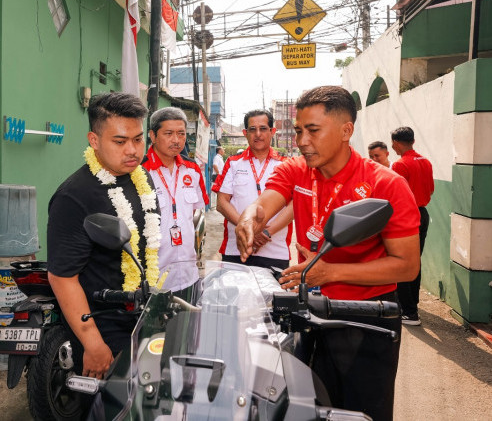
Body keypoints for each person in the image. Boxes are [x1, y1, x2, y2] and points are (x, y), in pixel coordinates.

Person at [236, 86, 420, 421]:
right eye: (298, 131)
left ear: (346, 130)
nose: (303, 141)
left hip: (365, 315)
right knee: (305, 405)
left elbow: (406, 266)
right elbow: (267, 202)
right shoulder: (297, 170)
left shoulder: (386, 185)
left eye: (313, 131)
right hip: (307, 309)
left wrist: (330, 272)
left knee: (362, 410)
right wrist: (250, 218)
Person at [47, 92, 160, 382]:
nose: (133, 150)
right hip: (103, 328)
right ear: (94, 140)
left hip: (142, 319)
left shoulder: (140, 179)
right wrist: (93, 344)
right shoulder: (74, 196)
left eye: (138, 139)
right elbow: (62, 277)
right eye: (120, 141)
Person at [213, 109, 293, 269]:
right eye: (252, 129)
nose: (258, 134)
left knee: (273, 295)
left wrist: (266, 233)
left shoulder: (286, 164)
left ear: (272, 131)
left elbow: (294, 205)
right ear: (245, 133)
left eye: (263, 128)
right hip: (235, 250)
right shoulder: (233, 163)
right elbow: (222, 203)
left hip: (275, 251)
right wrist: (247, 228)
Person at [142, 107, 208, 294]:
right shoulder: (140, 172)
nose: (176, 140)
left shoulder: (192, 170)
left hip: (189, 275)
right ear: (153, 136)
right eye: (169, 133)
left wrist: (199, 252)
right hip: (154, 279)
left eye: (181, 134)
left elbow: (199, 217)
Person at [391, 126, 434, 326]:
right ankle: (413, 305)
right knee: (414, 262)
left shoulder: (400, 165)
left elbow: (397, 195)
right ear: (413, 141)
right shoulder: (426, 161)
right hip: (423, 213)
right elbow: (431, 189)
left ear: (396, 143)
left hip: (406, 217)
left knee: (401, 265)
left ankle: (409, 312)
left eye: (393, 144)